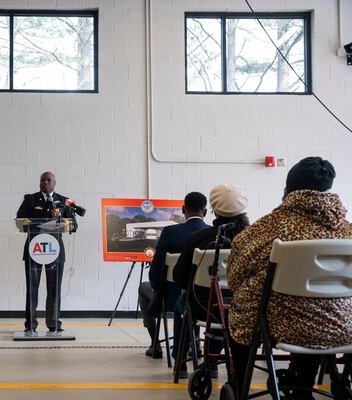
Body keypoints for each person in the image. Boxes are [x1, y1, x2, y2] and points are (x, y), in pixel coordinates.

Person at [227, 157, 352, 399]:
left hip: (284, 327)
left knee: (244, 308)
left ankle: (240, 384)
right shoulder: (348, 231)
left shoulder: (265, 230)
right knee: (317, 310)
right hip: (343, 329)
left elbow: (234, 279)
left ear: (287, 190)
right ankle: (304, 388)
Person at [172, 184, 250, 378]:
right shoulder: (250, 239)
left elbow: (179, 278)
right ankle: (213, 361)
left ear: (213, 210)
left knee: (186, 303)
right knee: (226, 303)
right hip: (242, 307)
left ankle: (181, 362)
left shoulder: (196, 238)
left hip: (201, 307)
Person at [138, 192, 210, 358]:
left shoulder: (170, 232)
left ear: (183, 209)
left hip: (174, 298)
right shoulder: (213, 233)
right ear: (205, 212)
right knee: (195, 287)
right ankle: (195, 344)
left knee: (143, 288)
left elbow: (156, 271)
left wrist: (158, 288)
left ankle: (155, 345)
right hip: (206, 300)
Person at [16, 171, 74, 332]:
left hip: (55, 251)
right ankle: (30, 325)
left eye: (49, 180)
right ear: (40, 182)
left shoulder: (64, 201)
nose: (46, 183)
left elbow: (73, 225)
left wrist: (60, 217)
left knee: (54, 288)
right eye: (43, 180)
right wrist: (43, 220)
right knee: (32, 287)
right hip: (35, 249)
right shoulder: (30, 199)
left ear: (55, 182)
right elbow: (20, 220)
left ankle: (54, 323)